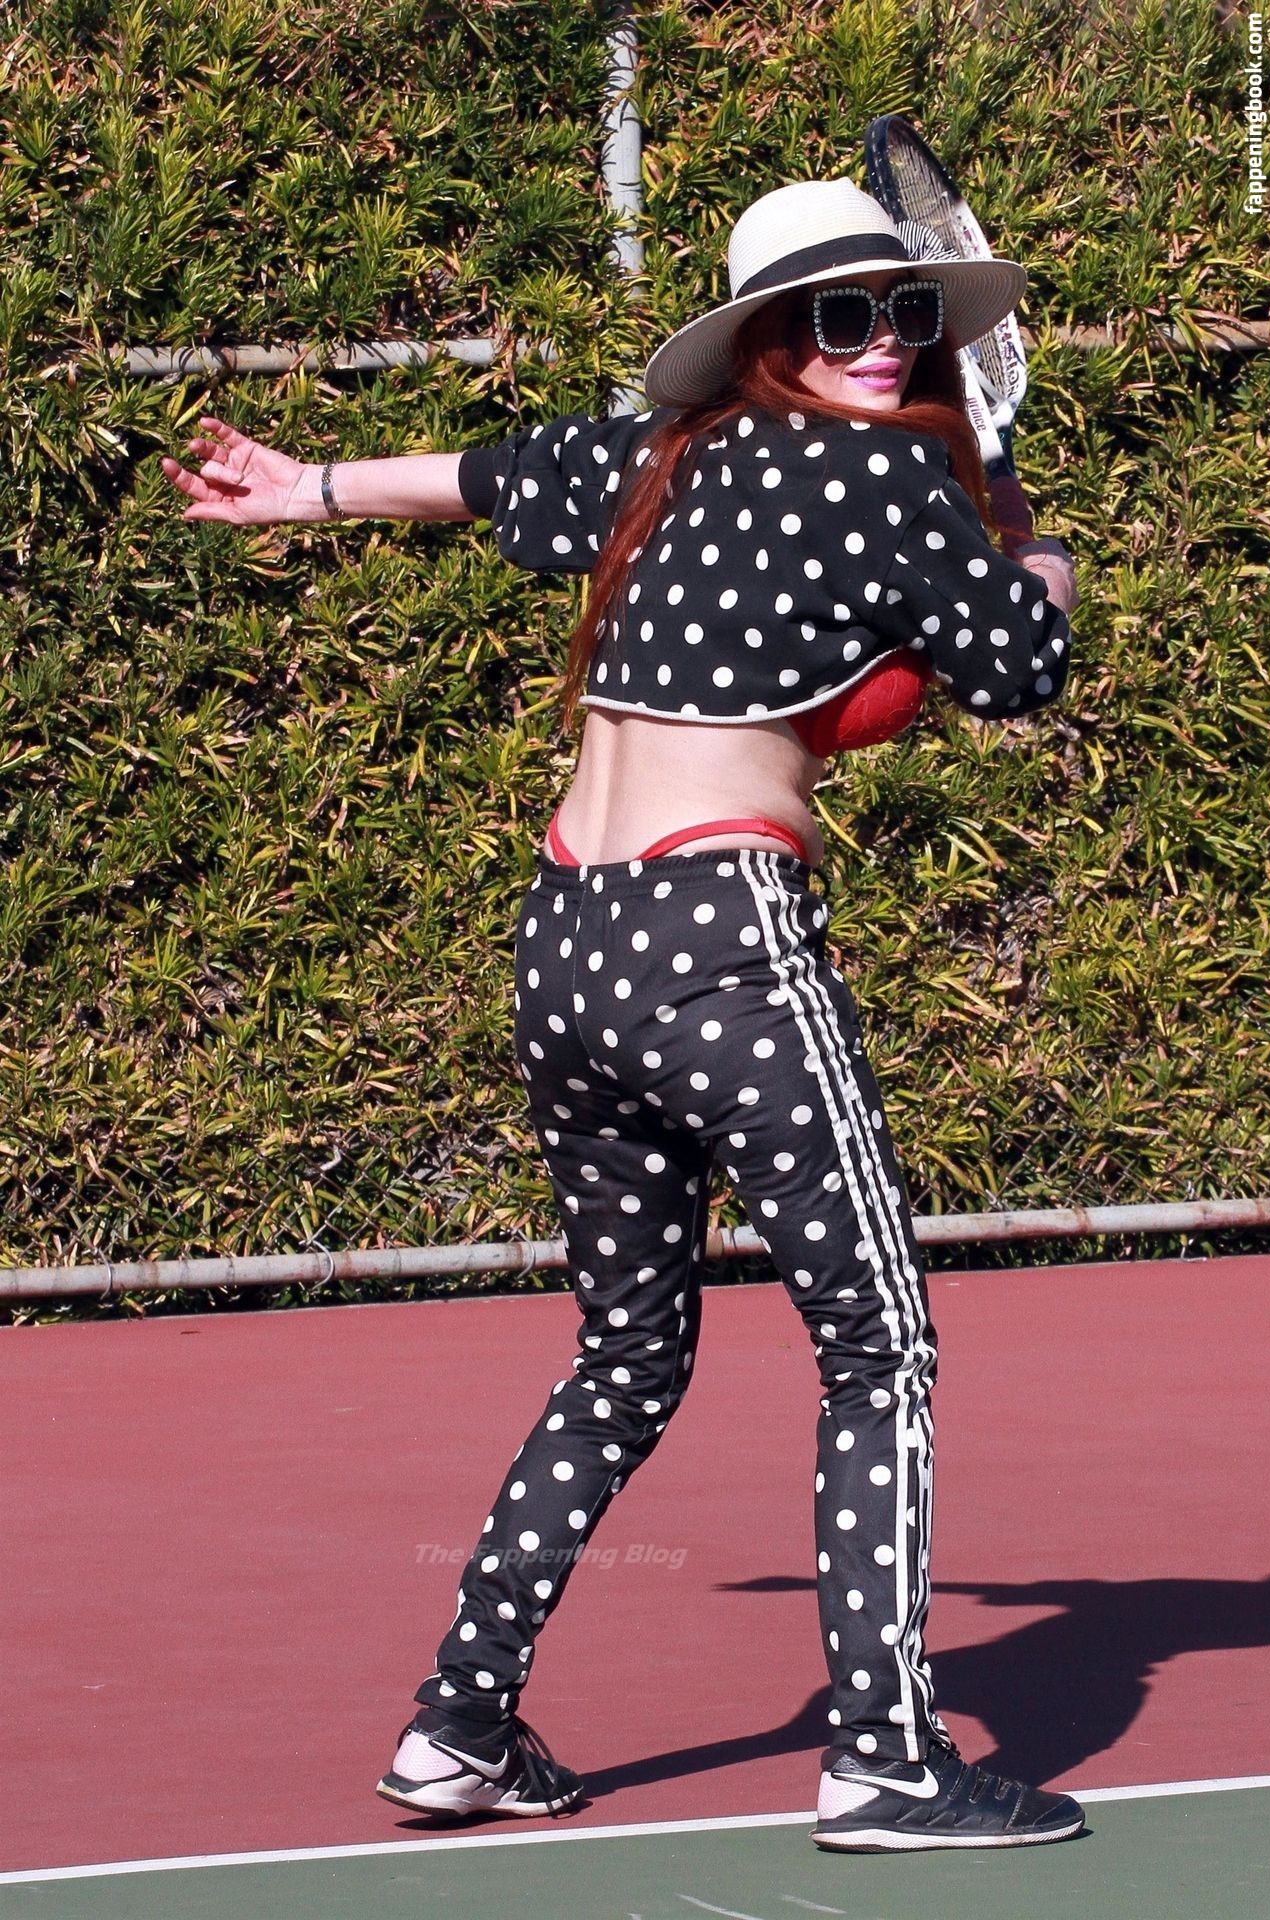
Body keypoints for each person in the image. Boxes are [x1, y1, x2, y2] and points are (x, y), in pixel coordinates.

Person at [162, 178, 1083, 1853]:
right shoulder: (885, 474)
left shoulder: (658, 455)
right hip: (721, 938)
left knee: (626, 1352)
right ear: (769, 338)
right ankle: (885, 1758)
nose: (881, 342)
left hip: (569, 945)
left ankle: (457, 1725)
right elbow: (1017, 665)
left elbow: (478, 473)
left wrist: (306, 491)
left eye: (903, 312)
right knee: (879, 1344)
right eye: (840, 316)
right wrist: (1039, 545)